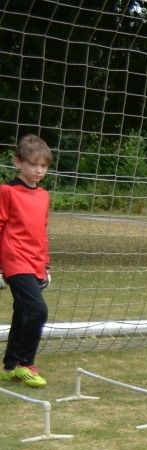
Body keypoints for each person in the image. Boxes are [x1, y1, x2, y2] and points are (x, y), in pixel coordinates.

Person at [0, 134, 54, 388]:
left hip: (35, 263)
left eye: (43, 165)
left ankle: (10, 367)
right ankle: (26, 364)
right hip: (15, 259)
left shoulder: (44, 195)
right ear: (18, 163)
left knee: (23, 311)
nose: (39, 170)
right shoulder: (7, 191)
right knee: (37, 310)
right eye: (33, 164)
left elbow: (42, 231)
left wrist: (46, 264)